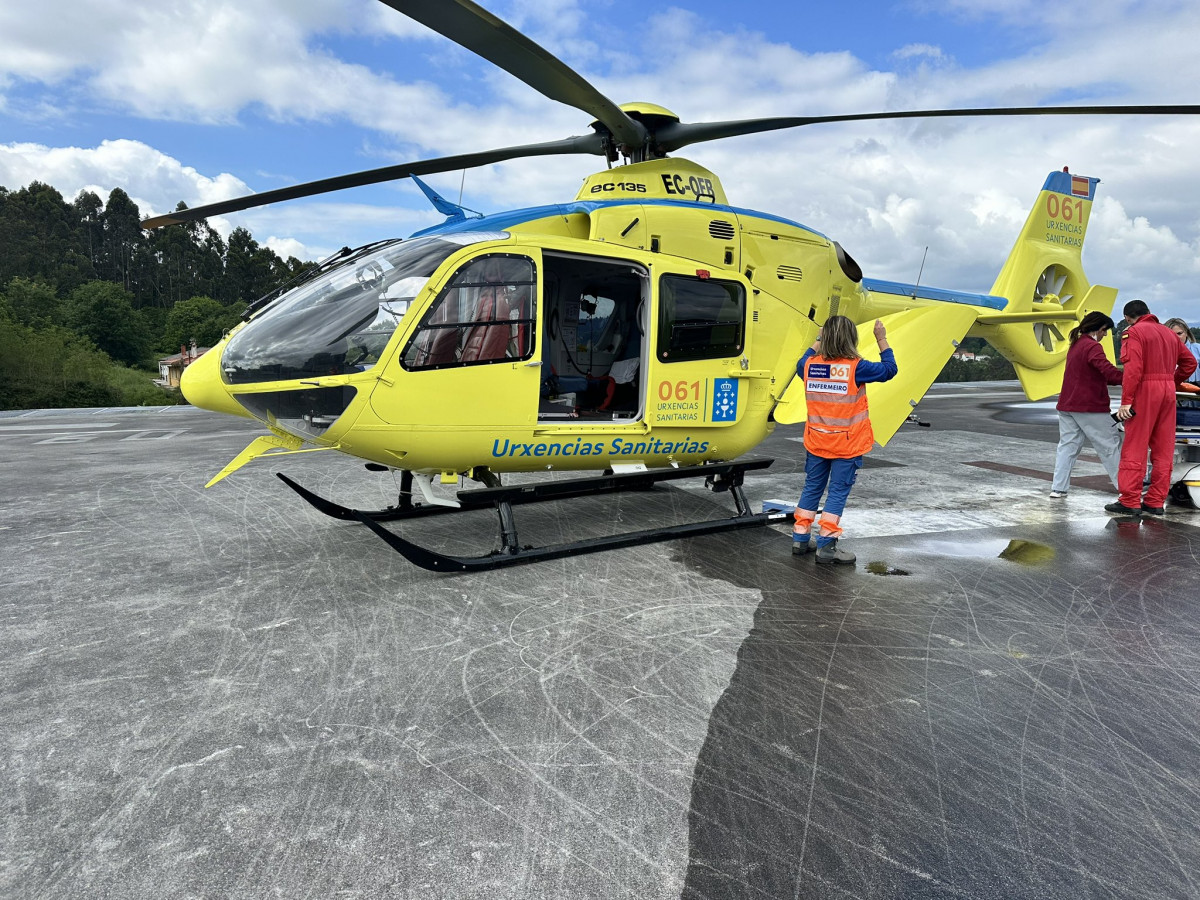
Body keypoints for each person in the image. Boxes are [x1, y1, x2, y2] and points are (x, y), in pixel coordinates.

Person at [792, 316, 897, 565]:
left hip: (817, 441)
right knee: (837, 492)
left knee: (812, 488)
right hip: (846, 445)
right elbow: (890, 370)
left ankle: (800, 539)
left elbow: (801, 361)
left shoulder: (808, 366)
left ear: (826, 337)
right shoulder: (856, 367)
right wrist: (881, 338)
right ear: (851, 338)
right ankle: (826, 547)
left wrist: (817, 340)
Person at [1106, 300, 1197, 516]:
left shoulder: (1133, 332)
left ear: (1128, 318)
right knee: (1164, 448)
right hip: (1168, 392)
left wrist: (1127, 401)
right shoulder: (1168, 334)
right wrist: (1172, 381)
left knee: (1135, 446)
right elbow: (1190, 363)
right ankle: (1156, 501)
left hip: (1145, 391)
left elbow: (1133, 369)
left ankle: (1130, 500)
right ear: (1148, 312)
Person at [1049, 312, 1122, 498]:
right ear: (1098, 329)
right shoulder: (1092, 346)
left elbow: (1091, 374)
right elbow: (1107, 370)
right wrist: (1131, 378)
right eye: (1105, 331)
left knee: (1068, 447)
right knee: (1109, 445)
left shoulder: (1076, 344)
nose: (1105, 335)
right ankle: (1126, 487)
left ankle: (1058, 488)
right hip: (1089, 406)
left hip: (1067, 405)